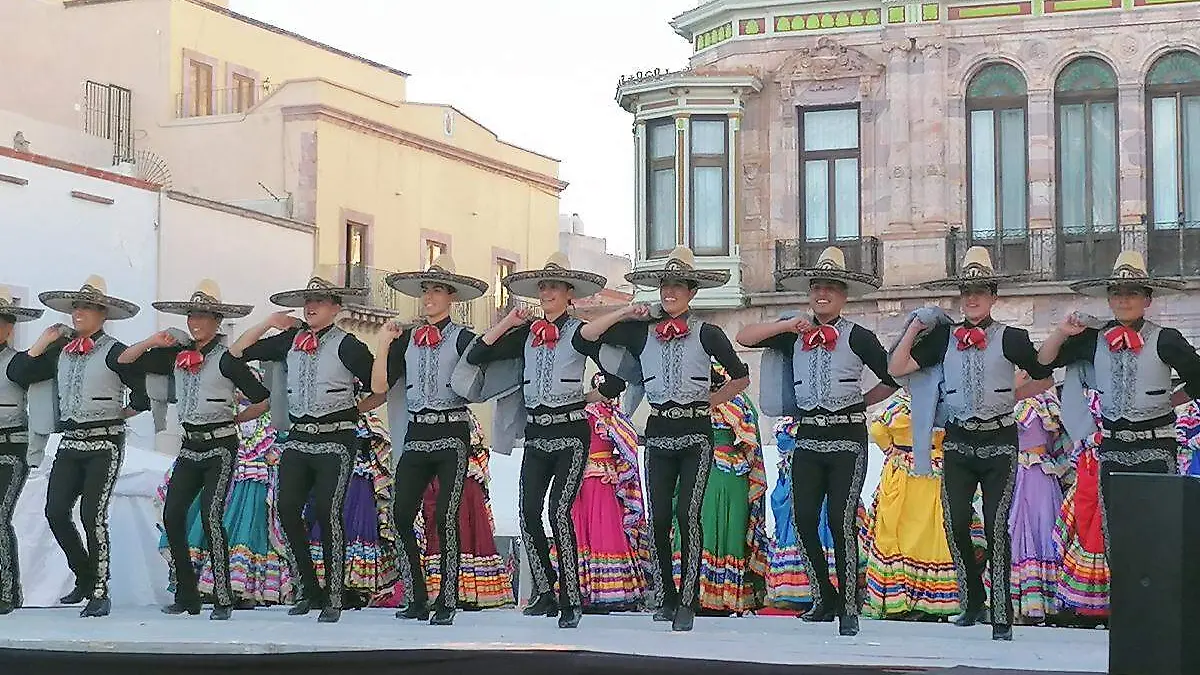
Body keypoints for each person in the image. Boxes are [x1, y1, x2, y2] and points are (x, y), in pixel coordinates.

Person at [888, 247, 1055, 641]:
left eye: (980, 291)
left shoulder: (1011, 337)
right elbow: (897, 368)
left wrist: (1010, 397)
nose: (973, 298)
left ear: (993, 296)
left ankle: (1001, 612)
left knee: (996, 525)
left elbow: (1045, 376)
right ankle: (973, 600)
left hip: (999, 441)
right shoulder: (943, 337)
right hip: (959, 442)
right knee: (956, 521)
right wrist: (914, 326)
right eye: (966, 292)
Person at [582, 245, 750, 632]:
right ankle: (667, 596)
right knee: (658, 518)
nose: (670, 292)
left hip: (695, 433)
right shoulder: (641, 334)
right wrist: (625, 311)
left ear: (692, 291)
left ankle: (688, 599)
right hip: (658, 431)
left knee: (687, 515)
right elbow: (589, 335)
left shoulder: (708, 333)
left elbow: (741, 377)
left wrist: (710, 400)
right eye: (665, 286)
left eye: (678, 285)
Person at [737, 246, 897, 636]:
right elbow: (743, 336)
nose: (822, 294)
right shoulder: (794, 334)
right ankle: (824, 596)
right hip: (808, 436)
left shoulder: (858, 336)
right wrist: (784, 326)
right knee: (803, 518)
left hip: (847, 437)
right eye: (816, 287)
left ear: (843, 295)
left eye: (830, 288)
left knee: (841, 520)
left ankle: (848, 605)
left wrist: (862, 401)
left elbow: (892, 376)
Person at [463, 253, 621, 629]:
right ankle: (545, 591)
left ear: (569, 294)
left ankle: (571, 596)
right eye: (543, 287)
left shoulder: (580, 332)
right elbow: (478, 353)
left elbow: (615, 378)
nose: (547, 292)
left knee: (558, 512)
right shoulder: (527, 335)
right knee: (527, 512)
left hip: (570, 434)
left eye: (554, 287)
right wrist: (508, 322)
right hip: (536, 434)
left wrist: (589, 395)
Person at [231, 275, 381, 623]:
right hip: (299, 437)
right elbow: (237, 353)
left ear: (336, 308)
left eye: (320, 301)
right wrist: (269, 322)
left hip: (335, 438)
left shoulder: (349, 345)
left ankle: (334, 594)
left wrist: (353, 411)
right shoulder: (290, 340)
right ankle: (308, 588)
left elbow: (379, 387)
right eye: (308, 301)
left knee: (328, 512)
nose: (311, 307)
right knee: (286, 509)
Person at [121, 280, 270, 620]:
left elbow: (262, 399)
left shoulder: (227, 360)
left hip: (220, 447)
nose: (195, 322)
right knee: (173, 514)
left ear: (217, 321)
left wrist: (236, 417)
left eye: (203, 316)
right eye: (192, 316)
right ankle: (187, 594)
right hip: (190, 446)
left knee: (210, 516)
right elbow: (126, 362)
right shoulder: (175, 355)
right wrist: (153, 341)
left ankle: (222, 597)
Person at [1038, 250, 1200, 552]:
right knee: (1116, 533)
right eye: (1117, 293)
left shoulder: (1166, 338)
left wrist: (1171, 400)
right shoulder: (1092, 338)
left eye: (1132, 293)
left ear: (1147, 300)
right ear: (1109, 299)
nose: (1124, 300)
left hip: (1156, 446)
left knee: (1156, 531)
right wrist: (1062, 331)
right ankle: (1120, 584)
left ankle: (1156, 584)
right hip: (1112, 447)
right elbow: (1043, 363)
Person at [15, 275, 150, 618]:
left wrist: (120, 413)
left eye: (87, 308)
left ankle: (100, 591)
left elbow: (144, 395)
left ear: (102, 315)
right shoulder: (60, 351)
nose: (78, 313)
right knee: (55, 511)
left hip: (105, 442)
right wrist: (43, 341)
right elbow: (20, 373)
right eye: (75, 307)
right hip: (71, 442)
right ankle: (85, 576)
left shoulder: (115, 351)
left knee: (93, 515)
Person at [371, 255, 488, 626]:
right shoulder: (406, 339)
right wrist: (383, 344)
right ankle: (417, 596)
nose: (429, 297)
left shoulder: (463, 337)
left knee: (445, 517)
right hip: (417, 434)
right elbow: (379, 386)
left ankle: (447, 599)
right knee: (401, 514)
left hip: (452, 433)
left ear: (451, 296)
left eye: (437, 290)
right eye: (426, 290)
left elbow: (484, 372)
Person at [863, 390, 969, 622]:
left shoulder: (899, 405)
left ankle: (903, 599)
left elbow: (878, 429)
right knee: (934, 534)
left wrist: (892, 452)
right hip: (934, 471)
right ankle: (932, 602)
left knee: (902, 534)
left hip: (906, 472)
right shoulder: (944, 402)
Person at [672, 366, 768, 615]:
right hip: (725, 470)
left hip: (714, 471)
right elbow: (752, 444)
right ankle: (715, 596)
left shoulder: (694, 403)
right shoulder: (738, 402)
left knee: (710, 528)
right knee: (713, 528)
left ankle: (695, 594)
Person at [573, 376, 649, 612]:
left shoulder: (610, 416)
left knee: (600, 529)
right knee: (603, 529)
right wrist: (621, 470)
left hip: (596, 478)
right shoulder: (604, 416)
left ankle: (590, 590)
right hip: (598, 478)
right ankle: (607, 591)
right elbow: (629, 450)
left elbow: (629, 450)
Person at [0, 286, 45, 614]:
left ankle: (8, 591)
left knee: (0, 517)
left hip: (11, 447)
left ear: (9, 329)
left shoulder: (18, 361)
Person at [1009, 385, 1070, 624]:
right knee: (1021, 530)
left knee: (1038, 530)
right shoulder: (1022, 400)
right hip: (1027, 472)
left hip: (1037, 473)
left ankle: (1034, 603)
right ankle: (1024, 602)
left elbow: (1059, 442)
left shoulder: (1041, 402)